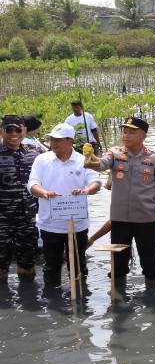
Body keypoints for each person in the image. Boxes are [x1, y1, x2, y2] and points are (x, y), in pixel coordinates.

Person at [85, 117, 155, 287]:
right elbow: (101, 164)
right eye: (124, 132)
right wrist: (90, 158)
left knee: (150, 265)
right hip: (120, 221)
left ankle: (152, 303)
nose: (126, 135)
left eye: (132, 132)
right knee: (117, 265)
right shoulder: (115, 154)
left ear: (143, 135)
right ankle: (119, 302)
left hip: (145, 220)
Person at [27, 123, 102, 291]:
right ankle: (53, 302)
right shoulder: (42, 159)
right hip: (49, 224)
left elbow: (96, 183)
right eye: (52, 139)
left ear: (70, 141)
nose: (53, 143)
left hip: (77, 225)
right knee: (51, 266)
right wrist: (44, 192)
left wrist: (85, 190)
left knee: (78, 266)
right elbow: (32, 184)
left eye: (58, 140)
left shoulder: (83, 160)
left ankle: (81, 299)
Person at [1, 115, 46, 284]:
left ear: (25, 131)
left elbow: (60, 163)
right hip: (2, 221)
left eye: (18, 130)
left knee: (28, 266)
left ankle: (28, 300)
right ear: (2, 131)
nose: (14, 133)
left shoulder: (37, 153)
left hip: (27, 220)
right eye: (9, 130)